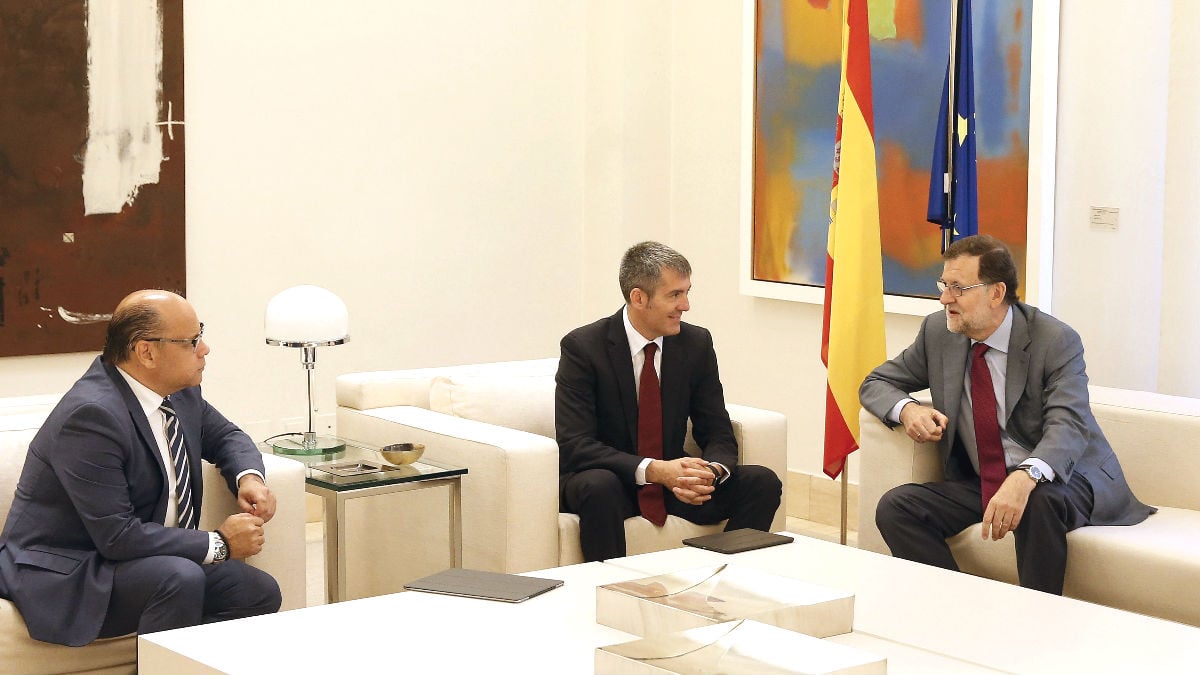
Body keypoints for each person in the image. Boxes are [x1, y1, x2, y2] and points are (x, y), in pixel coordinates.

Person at [860, 234, 1154, 594]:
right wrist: (906, 410)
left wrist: (1026, 476)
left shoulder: (1053, 340)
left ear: (996, 293)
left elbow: (1068, 424)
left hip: (1068, 476)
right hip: (985, 477)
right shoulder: (939, 332)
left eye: (958, 288)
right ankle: (957, 608)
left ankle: (1035, 620)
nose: (944, 299)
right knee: (897, 507)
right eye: (944, 285)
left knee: (1037, 498)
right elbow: (876, 382)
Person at [0, 290, 281, 646]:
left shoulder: (179, 393)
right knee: (179, 577)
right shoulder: (91, 416)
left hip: (141, 559)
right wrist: (220, 543)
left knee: (256, 590)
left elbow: (227, 436)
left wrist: (250, 478)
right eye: (191, 341)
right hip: (71, 569)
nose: (205, 349)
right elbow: (117, 537)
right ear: (146, 351)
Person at [556, 241, 781, 562]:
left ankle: (722, 578)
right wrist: (656, 471)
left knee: (761, 482)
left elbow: (716, 429)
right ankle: (611, 590)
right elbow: (576, 443)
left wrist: (710, 471)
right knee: (598, 486)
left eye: (687, 292)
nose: (686, 305)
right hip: (611, 479)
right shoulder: (583, 347)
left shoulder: (696, 343)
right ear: (639, 298)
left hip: (674, 483)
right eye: (675, 295)